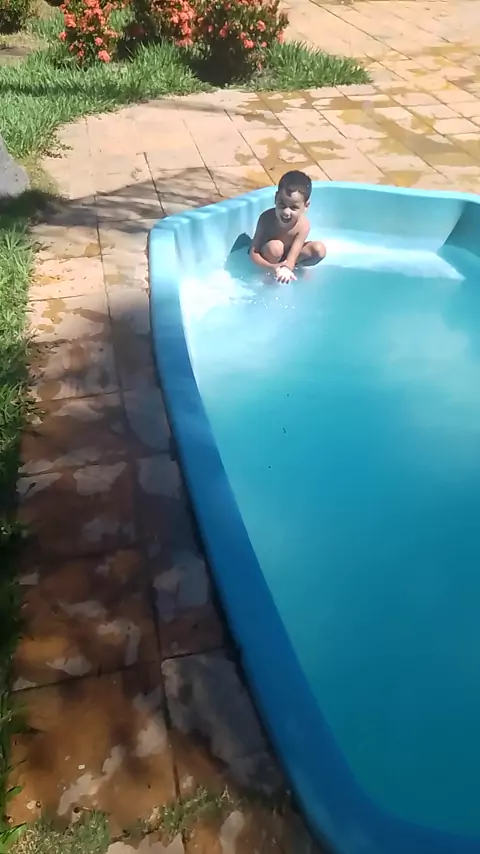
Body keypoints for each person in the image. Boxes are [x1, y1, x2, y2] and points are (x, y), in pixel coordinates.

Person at [249, 170, 326, 283]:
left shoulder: (303, 226)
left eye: (293, 207)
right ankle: (269, 275)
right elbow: (253, 253)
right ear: (276, 198)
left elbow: (293, 255)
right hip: (270, 256)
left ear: (306, 206)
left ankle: (294, 269)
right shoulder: (266, 219)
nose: (286, 212)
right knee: (275, 248)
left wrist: (287, 268)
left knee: (319, 250)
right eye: (282, 204)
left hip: (288, 257)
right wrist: (271, 267)